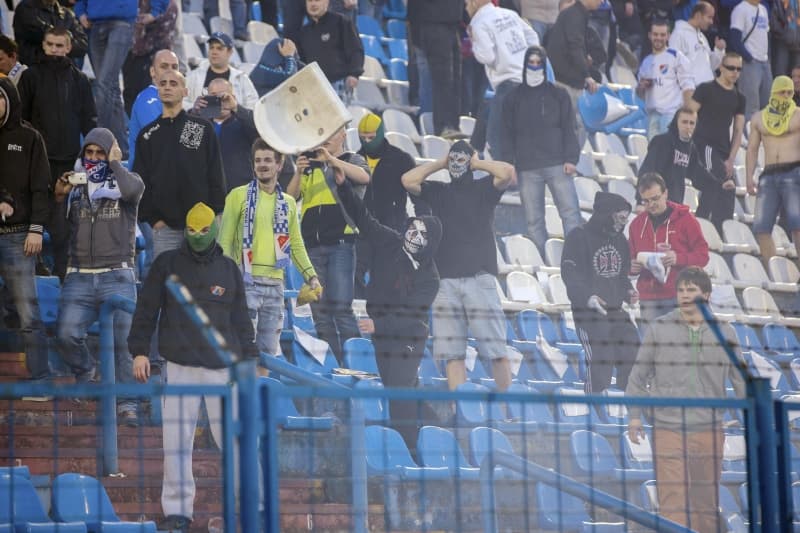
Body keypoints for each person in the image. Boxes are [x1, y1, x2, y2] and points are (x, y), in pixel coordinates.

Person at [129, 202, 257, 532]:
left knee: (236, 440)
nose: (198, 235)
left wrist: (251, 360)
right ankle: (177, 513)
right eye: (192, 229)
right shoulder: (166, 264)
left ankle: (248, 508)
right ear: (184, 229)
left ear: (214, 230)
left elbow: (242, 320)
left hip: (221, 369)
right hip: (180, 366)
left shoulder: (230, 269)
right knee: (176, 441)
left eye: (204, 230)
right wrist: (139, 351)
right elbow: (146, 308)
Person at [626, 266, 746, 533]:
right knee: (672, 502)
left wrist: (753, 420)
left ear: (707, 294)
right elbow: (637, 377)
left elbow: (741, 381)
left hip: (710, 429)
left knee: (706, 503)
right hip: (668, 428)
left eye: (691, 290)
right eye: (681, 290)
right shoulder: (658, 329)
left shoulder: (726, 333)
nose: (685, 295)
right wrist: (635, 416)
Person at [335, 163, 443, 453]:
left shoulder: (430, 278)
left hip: (408, 336)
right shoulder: (390, 242)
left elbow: (411, 316)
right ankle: (436, 424)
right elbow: (364, 219)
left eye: (423, 234)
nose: (414, 235)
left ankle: (408, 451)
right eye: (414, 228)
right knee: (401, 388)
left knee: (398, 392)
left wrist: (377, 325)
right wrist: (344, 187)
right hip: (381, 331)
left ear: (430, 244)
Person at [401, 141, 515, 391]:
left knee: (496, 350)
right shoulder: (439, 191)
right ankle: (462, 413)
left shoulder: (484, 188)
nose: (456, 163)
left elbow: (507, 172)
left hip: (479, 279)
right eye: (452, 159)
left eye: (461, 159)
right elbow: (408, 180)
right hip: (445, 282)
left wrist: (478, 162)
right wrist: (440, 163)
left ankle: (509, 414)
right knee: (453, 355)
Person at [52, 128, 143, 425]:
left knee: (124, 345)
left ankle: (128, 403)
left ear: (110, 153)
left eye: (99, 153)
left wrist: (115, 163)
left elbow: (132, 192)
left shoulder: (128, 181)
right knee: (66, 334)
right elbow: (60, 234)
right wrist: (58, 199)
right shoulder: (76, 187)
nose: (93, 159)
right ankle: (87, 372)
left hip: (117, 274)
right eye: (88, 153)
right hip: (79, 275)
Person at [219, 139, 321, 356]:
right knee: (243, 352)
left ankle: (259, 389)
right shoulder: (237, 196)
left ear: (279, 165)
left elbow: (296, 244)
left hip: (276, 285)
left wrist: (311, 276)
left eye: (267, 160)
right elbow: (224, 242)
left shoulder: (289, 203)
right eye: (258, 160)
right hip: (246, 283)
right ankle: (243, 391)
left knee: (267, 355)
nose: (262, 165)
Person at [18, 27, 98, 280]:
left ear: (68, 47)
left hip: (70, 163)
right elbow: (22, 119)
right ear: (43, 45)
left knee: (64, 224)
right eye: (50, 44)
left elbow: (90, 121)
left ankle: (64, 273)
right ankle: (36, 267)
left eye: (59, 45)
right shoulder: (30, 77)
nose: (55, 49)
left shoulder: (80, 80)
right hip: (37, 163)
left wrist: (91, 159)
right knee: (34, 216)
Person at [286, 127, 370, 361]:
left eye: (332, 134)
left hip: (341, 242)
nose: (326, 140)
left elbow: (365, 177)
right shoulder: (310, 167)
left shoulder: (351, 159)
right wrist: (298, 172)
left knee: (342, 309)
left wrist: (331, 159)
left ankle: (357, 364)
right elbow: (290, 199)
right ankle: (332, 366)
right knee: (320, 313)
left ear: (343, 134)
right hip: (312, 246)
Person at [134, 69, 227, 259]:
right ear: (158, 90)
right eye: (163, 83)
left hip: (201, 226)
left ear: (185, 92)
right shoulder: (147, 135)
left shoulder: (200, 127)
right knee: (168, 285)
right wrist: (154, 220)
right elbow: (140, 181)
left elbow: (215, 173)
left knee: (200, 284)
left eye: (173, 83)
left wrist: (215, 214)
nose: (167, 87)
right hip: (164, 228)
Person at [500, 45, 582, 257]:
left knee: (571, 214)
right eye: (531, 62)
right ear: (525, 64)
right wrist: (510, 166)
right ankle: (543, 260)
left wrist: (571, 159)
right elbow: (506, 134)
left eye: (539, 63)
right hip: (527, 168)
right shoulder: (512, 98)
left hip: (558, 165)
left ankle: (575, 258)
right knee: (533, 220)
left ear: (545, 66)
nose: (535, 67)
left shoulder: (559, 95)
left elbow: (569, 128)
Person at [562, 191, 641, 393]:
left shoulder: (621, 240)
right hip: (588, 313)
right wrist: (587, 297)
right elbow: (570, 275)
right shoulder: (578, 237)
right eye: (619, 217)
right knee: (601, 355)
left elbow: (621, 277)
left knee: (633, 347)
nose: (622, 222)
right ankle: (596, 405)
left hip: (615, 310)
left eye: (625, 218)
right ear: (606, 214)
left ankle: (625, 402)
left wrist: (629, 292)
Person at [0, 77, 51, 389]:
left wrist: (35, 229)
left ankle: (41, 378)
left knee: (28, 314)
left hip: (19, 236)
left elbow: (41, 188)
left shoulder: (29, 137)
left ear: (9, 99)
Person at [629, 172, 709, 327]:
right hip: (649, 298)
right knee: (654, 349)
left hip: (681, 296)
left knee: (683, 348)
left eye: (655, 198)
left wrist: (678, 258)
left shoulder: (686, 219)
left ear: (665, 193)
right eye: (646, 201)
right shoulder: (636, 225)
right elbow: (631, 258)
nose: (651, 204)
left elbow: (703, 256)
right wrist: (631, 268)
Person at [465, 0, 539, 159]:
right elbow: (533, 37)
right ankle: (474, 149)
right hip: (527, 82)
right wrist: (527, 60)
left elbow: (487, 56)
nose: (465, 5)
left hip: (507, 83)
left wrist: (474, 42)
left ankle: (498, 175)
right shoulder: (509, 13)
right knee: (490, 107)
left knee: (497, 142)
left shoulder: (478, 23)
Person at [355, 112, 416, 296]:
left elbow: (417, 194)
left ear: (381, 134)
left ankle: (378, 321)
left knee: (385, 281)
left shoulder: (401, 159)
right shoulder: (354, 160)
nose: (367, 142)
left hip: (390, 230)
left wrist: (419, 224)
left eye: (372, 137)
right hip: (362, 231)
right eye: (363, 138)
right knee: (354, 276)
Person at [745, 75, 800, 265]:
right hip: (768, 175)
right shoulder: (759, 117)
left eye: (789, 92)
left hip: (794, 171)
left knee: (798, 226)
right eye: (782, 91)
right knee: (761, 228)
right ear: (773, 92)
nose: (786, 95)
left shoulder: (798, 114)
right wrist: (748, 177)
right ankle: (773, 268)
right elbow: (752, 149)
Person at [74, 0, 138, 158]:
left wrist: (157, 9)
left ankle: (99, 143)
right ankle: (122, 151)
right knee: (112, 89)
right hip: (94, 25)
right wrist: (80, 11)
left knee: (103, 84)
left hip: (122, 23)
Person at [690, 51, 746, 232]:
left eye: (738, 69)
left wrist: (731, 158)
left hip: (723, 150)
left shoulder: (739, 97)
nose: (735, 72)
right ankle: (698, 227)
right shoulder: (705, 89)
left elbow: (738, 131)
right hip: (703, 145)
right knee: (715, 182)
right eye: (731, 68)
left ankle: (721, 233)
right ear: (721, 67)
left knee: (728, 189)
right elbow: (688, 115)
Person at [638, 107, 722, 208]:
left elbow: (698, 175)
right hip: (656, 204)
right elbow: (646, 171)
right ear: (676, 122)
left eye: (692, 123)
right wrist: (640, 202)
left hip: (676, 205)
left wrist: (720, 183)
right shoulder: (661, 141)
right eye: (684, 122)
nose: (688, 126)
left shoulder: (691, 148)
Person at [546, 0, 602, 144]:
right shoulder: (574, 15)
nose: (602, 1)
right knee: (573, 128)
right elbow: (574, 46)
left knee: (570, 127)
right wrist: (587, 75)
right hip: (565, 83)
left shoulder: (576, 15)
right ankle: (568, 163)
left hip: (565, 80)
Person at [407, 0, 462, 135]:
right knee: (442, 80)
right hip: (433, 25)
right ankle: (443, 126)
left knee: (455, 80)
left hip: (452, 26)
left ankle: (453, 124)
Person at [198, 78, 260, 191]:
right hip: (207, 190)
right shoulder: (201, 123)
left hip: (240, 190)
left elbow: (260, 134)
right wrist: (196, 112)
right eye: (214, 96)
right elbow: (186, 143)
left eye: (224, 96)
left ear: (233, 98)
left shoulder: (243, 121)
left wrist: (236, 107)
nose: (220, 100)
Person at [637, 20, 694, 138]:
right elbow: (640, 95)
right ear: (650, 35)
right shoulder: (646, 62)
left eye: (662, 35)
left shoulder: (676, 56)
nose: (659, 38)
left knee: (669, 153)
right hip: (652, 115)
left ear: (668, 36)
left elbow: (687, 86)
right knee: (654, 153)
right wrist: (641, 87)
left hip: (671, 114)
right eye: (655, 34)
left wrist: (688, 115)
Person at [298, 0, 364, 100]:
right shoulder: (304, 32)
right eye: (310, 1)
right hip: (314, 87)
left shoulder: (341, 21)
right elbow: (302, 61)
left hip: (339, 85)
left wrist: (354, 74)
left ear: (327, 2)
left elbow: (356, 49)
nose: (313, 4)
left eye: (317, 0)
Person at [127, 49, 179, 170]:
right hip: (147, 181)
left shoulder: (173, 102)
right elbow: (162, 142)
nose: (170, 71)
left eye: (175, 67)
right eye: (164, 66)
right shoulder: (147, 99)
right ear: (152, 71)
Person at [184, 31, 259, 112]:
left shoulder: (241, 79)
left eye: (219, 48)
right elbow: (181, 101)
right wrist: (193, 108)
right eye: (211, 48)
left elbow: (253, 109)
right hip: (201, 122)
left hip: (232, 124)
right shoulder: (194, 76)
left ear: (230, 52)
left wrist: (235, 107)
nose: (214, 52)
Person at [13, 0, 88, 66]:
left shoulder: (67, 14)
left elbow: (82, 45)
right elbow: (41, 33)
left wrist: (62, 47)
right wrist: (65, 43)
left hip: (63, 71)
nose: (54, 49)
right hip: (35, 68)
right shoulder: (26, 8)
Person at [729, 0, 771, 119]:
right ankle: (749, 137)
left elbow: (765, 35)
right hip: (750, 63)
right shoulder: (740, 9)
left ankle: (762, 137)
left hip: (765, 61)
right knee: (750, 107)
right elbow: (735, 38)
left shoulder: (763, 9)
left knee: (766, 105)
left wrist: (767, 58)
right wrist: (748, 57)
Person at [669, 1, 725, 86]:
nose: (711, 22)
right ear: (698, 15)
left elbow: (711, 66)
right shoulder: (678, 35)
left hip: (708, 90)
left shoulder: (702, 36)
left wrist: (719, 50)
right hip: (692, 93)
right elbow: (673, 66)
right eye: (709, 17)